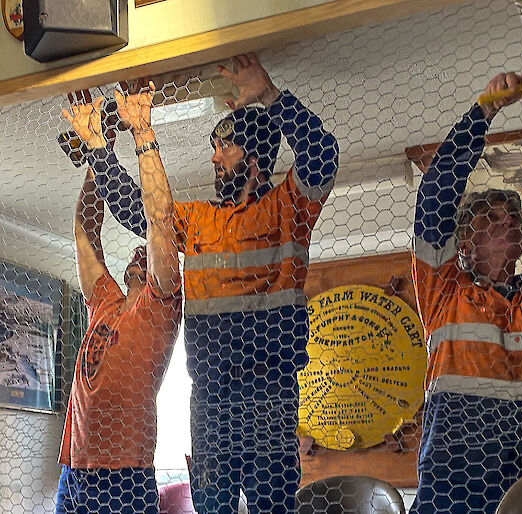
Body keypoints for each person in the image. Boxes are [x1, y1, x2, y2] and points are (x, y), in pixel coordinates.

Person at [68, 53, 339, 513]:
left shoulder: (288, 206)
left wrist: (270, 97)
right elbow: (140, 212)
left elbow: (323, 156)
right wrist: (100, 150)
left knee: (273, 507)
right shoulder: (197, 219)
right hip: (210, 397)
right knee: (211, 507)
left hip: (268, 393)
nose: (213, 156)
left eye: (224, 146)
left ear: (255, 157)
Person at [410, 37, 522, 514]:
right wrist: (483, 113)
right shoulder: (442, 292)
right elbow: (434, 197)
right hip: (454, 496)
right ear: (463, 244)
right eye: (489, 218)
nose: (507, 224)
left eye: (513, 220)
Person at [56, 90, 182, 514]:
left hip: (122, 477)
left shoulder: (159, 312)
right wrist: (98, 153)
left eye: (144, 254)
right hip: (72, 468)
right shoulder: (107, 303)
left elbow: (159, 228)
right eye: (135, 252)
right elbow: (84, 232)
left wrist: (133, 138)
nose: (137, 253)